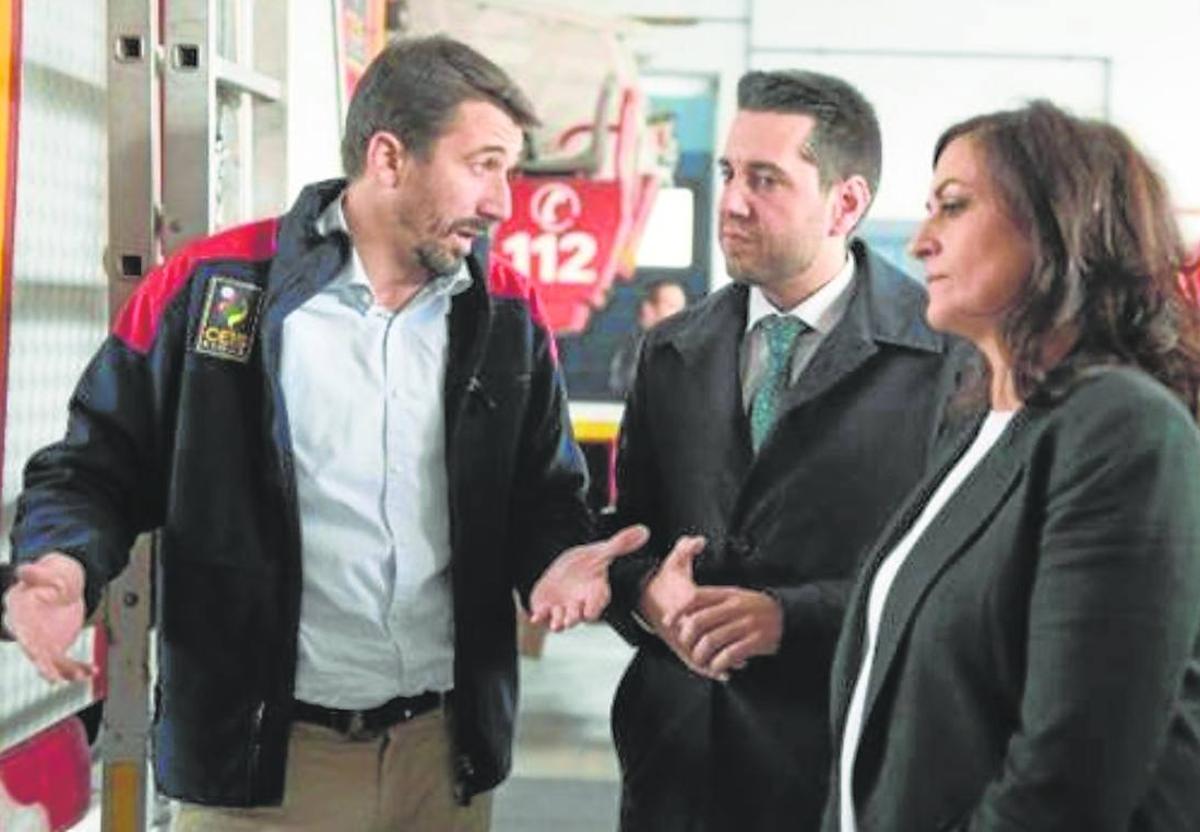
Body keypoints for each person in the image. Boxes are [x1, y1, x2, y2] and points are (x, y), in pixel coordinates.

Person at [0, 35, 645, 832]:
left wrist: (556, 561)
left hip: (444, 765)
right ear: (388, 157)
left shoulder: (505, 313)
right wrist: (61, 566)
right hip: (262, 768)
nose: (504, 203)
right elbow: (95, 466)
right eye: (483, 165)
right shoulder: (212, 290)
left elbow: (543, 496)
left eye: (509, 171)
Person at [536, 69, 970, 830]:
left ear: (847, 203)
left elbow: (959, 582)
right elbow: (634, 531)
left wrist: (791, 619)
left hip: (841, 772)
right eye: (732, 171)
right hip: (678, 771)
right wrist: (642, 593)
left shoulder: (944, 360)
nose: (731, 201)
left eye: (765, 180)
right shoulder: (669, 353)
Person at [825, 101, 1200, 831]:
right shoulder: (980, 429)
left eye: (954, 208)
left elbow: (1070, 775)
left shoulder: (1123, 428)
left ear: (1060, 224)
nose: (922, 241)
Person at [608, 278, 688, 399]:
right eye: (672, 306)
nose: (682, 314)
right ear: (648, 309)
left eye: (682, 307)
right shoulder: (631, 349)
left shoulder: (686, 346)